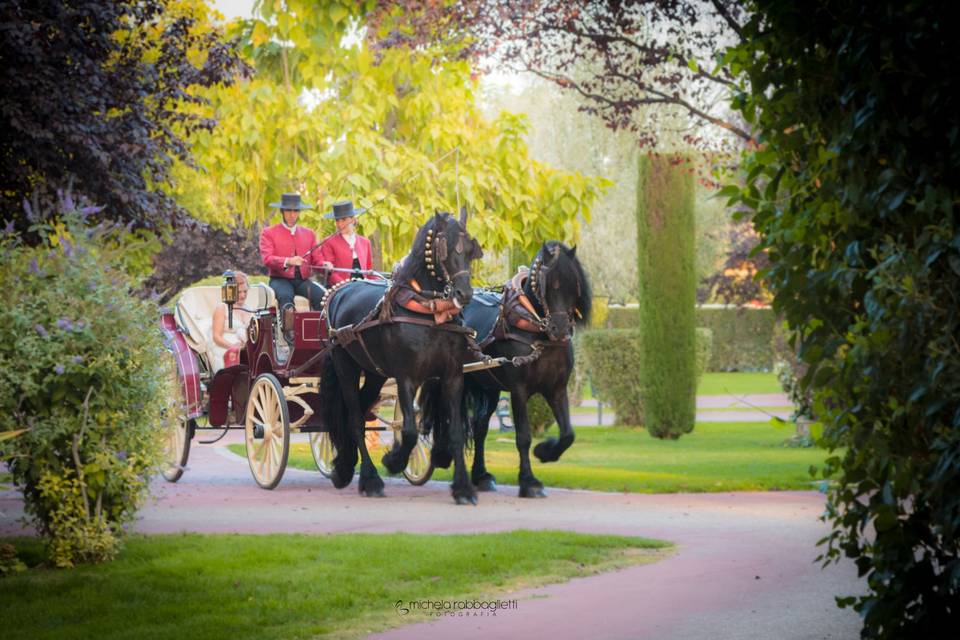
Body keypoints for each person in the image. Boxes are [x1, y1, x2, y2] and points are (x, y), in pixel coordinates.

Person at [259, 193, 326, 340]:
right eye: (288, 211)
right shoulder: (269, 233)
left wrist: (325, 265)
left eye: (295, 211)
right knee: (285, 297)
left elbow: (317, 260)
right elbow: (267, 259)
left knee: (322, 297)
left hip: (302, 280)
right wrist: (288, 261)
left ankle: (321, 333)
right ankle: (291, 337)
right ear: (282, 212)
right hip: (279, 279)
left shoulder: (309, 234)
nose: (292, 214)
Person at [319, 200, 373, 286]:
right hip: (340, 287)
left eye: (344, 220)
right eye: (337, 220)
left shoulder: (365, 242)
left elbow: (369, 271)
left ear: (353, 220)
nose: (340, 224)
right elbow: (330, 273)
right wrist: (345, 285)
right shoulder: (328, 242)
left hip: (364, 286)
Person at [211, 271, 252, 370]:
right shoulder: (222, 308)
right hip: (225, 348)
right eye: (239, 292)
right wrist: (233, 347)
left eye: (245, 291)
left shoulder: (249, 309)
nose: (243, 295)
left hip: (245, 349)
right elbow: (216, 337)